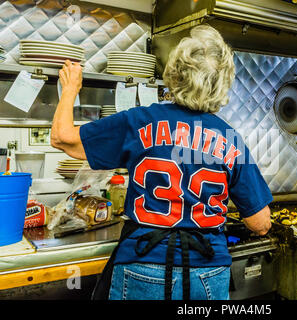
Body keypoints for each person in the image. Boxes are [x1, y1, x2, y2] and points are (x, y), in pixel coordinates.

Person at [51, 24, 272, 300]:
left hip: (143, 263)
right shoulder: (231, 139)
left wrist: (70, 87)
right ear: (222, 83)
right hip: (208, 270)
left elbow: (62, 138)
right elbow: (260, 224)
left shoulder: (139, 121)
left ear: (175, 72)